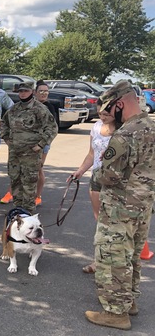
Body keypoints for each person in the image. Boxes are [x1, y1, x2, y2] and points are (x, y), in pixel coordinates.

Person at [85, 80, 155, 330]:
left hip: (119, 207)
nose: (107, 113)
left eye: (109, 107)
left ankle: (116, 313)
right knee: (132, 256)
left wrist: (98, 170)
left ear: (120, 104)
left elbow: (108, 176)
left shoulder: (125, 135)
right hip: (142, 206)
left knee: (112, 256)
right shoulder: (150, 126)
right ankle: (130, 302)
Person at [69, 101, 116, 274]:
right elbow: (92, 153)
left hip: (115, 181)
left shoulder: (123, 130)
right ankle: (99, 261)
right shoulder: (96, 126)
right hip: (97, 178)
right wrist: (80, 171)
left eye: (106, 114)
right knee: (100, 221)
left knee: (115, 223)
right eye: (100, 114)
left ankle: (115, 263)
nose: (103, 118)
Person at [0, 82, 58, 213]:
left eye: (25, 91)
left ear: (31, 91)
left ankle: (28, 213)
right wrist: (6, 138)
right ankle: (17, 211)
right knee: (15, 180)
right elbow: (4, 123)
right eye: (20, 91)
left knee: (29, 184)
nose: (22, 93)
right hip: (15, 153)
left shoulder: (39, 108)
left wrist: (41, 144)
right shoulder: (14, 109)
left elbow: (52, 128)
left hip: (31, 154)